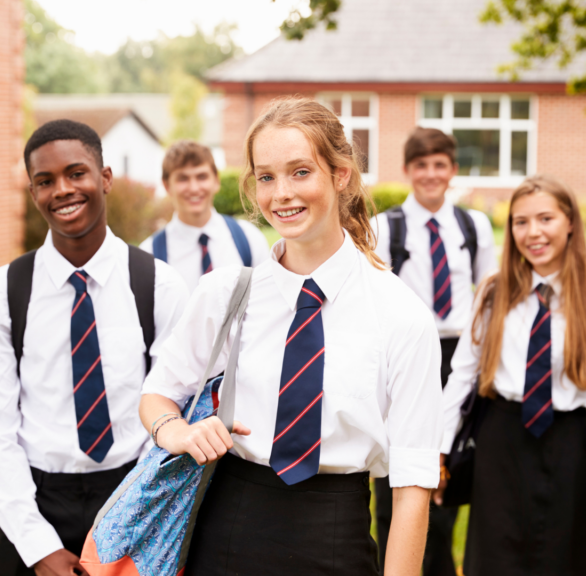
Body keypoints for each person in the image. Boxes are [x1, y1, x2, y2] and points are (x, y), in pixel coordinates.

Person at [139, 97, 443, 576]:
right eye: (266, 177)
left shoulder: (401, 316)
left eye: (300, 172)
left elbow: (412, 487)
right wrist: (175, 431)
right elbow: (156, 394)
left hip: (334, 538)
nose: (281, 193)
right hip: (225, 532)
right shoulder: (226, 294)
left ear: (341, 173)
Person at [0, 119, 189, 576]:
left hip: (131, 491)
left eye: (76, 173)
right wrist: (35, 544)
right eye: (45, 181)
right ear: (33, 194)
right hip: (35, 499)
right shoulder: (2, 293)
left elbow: (178, 408)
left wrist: (133, 520)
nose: (62, 190)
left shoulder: (158, 285)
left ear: (104, 178)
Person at [439, 175, 586, 575]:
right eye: (521, 222)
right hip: (500, 442)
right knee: (496, 560)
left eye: (545, 218)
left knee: (565, 559)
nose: (533, 233)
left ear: (569, 223)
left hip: (568, 444)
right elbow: (461, 378)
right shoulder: (494, 293)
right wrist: (438, 451)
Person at [369, 126, 497, 575]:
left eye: (439, 165)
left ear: (452, 170)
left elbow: (489, 292)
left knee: (448, 471)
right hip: (404, 357)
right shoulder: (385, 226)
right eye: (421, 165)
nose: (430, 174)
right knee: (398, 473)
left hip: (459, 358)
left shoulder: (472, 225)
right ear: (407, 170)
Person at [139, 140, 270, 291]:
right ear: (167, 186)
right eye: (183, 178)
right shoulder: (149, 256)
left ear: (216, 180)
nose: (194, 188)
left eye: (201, 177)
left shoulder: (249, 238)